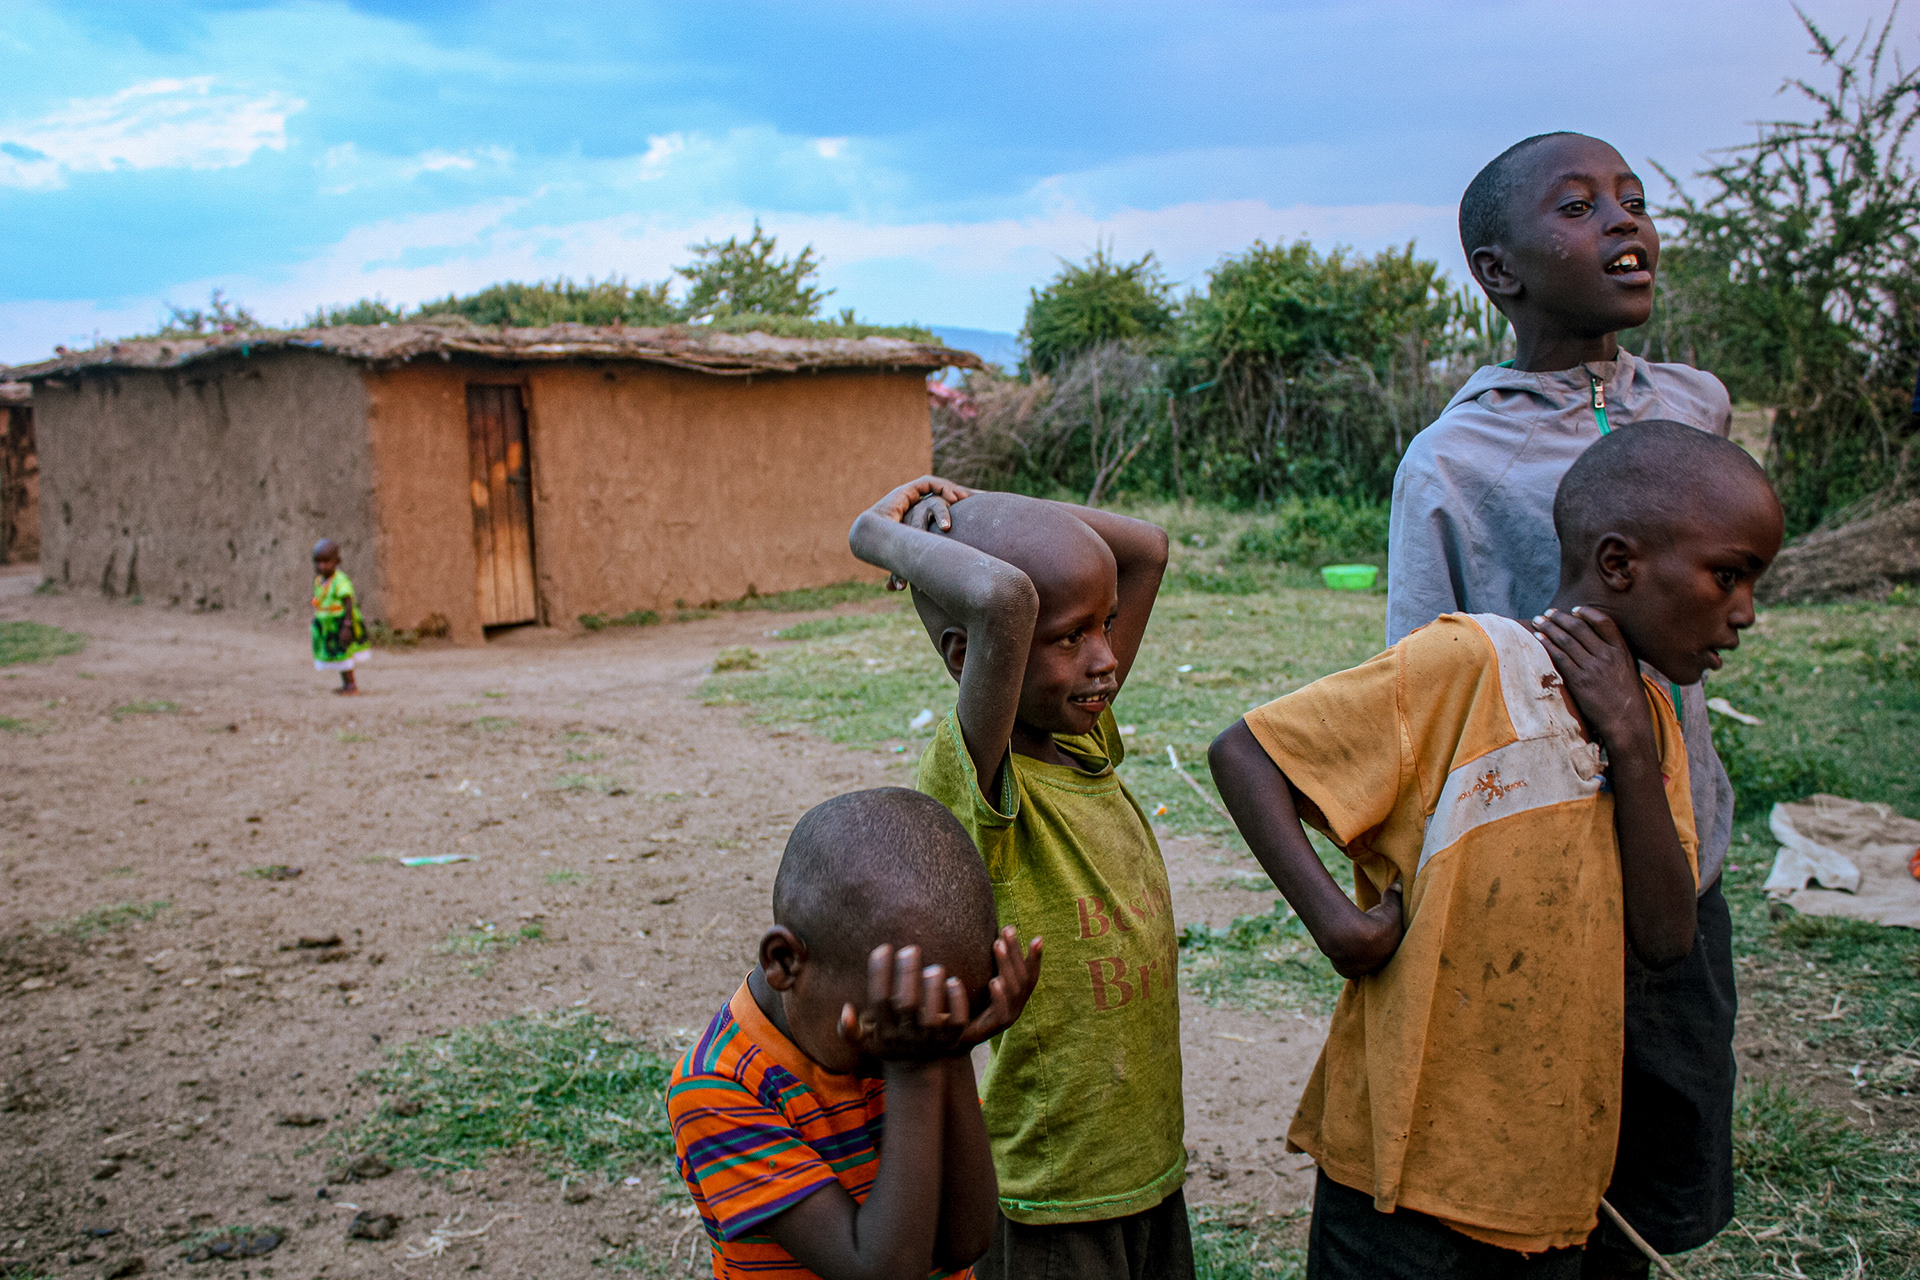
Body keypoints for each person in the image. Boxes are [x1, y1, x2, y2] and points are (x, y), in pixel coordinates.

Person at [1210, 422, 1784, 1279]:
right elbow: (1245, 754)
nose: (1744, 612)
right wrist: (1339, 925)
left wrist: (1627, 739)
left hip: (1548, 1175)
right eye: (1728, 576)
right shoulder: (1466, 664)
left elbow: (1666, 939)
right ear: (1620, 564)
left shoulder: (1652, 724)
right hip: (1401, 1168)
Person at [1386, 132, 1741, 1277]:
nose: (1627, 222)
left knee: (1660, 1136)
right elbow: (1417, 677)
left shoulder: (1694, 405)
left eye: (1635, 199)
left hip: (1680, 854)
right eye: (1582, 207)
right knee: (1539, 1154)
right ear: (1500, 271)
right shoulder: (1454, 459)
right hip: (1538, 864)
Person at [849, 477, 1190, 1280]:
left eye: (1106, 627)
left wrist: (969, 501)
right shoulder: (982, 782)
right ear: (968, 657)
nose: (1105, 658)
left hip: (1143, 1170)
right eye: (1071, 637)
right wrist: (878, 532)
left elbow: (1147, 548)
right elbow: (1002, 597)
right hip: (1051, 1196)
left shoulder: (1081, 740)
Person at [668, 787, 1041, 1280]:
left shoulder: (914, 1038)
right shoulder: (719, 1088)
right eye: (905, 1026)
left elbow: (967, 1240)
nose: (912, 1039)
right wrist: (915, 1070)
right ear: (784, 961)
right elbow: (881, 1271)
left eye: (940, 1021)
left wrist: (954, 1048)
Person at [311, 539, 369, 694]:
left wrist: (347, 625)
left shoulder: (340, 581)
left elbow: (348, 601)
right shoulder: (320, 581)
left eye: (326, 561)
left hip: (340, 623)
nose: (321, 566)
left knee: (345, 653)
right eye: (317, 562)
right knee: (338, 653)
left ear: (337, 562)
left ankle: (351, 685)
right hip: (329, 625)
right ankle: (346, 684)